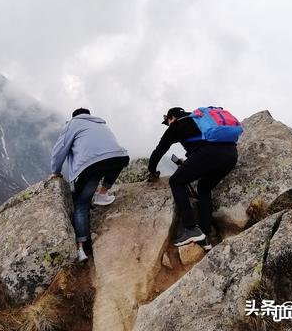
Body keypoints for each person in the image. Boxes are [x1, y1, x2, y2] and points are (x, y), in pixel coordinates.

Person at [148, 106, 239, 250]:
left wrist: (152, 171)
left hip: (210, 153)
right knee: (204, 187)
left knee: (176, 181)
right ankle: (205, 234)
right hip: (231, 154)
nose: (168, 124)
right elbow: (200, 145)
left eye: (167, 121)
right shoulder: (199, 119)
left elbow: (159, 151)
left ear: (172, 117)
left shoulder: (177, 125)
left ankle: (190, 229)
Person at [49, 108, 129, 262]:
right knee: (113, 164)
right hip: (118, 157)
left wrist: (56, 172)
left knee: (81, 204)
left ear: (74, 116)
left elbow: (59, 150)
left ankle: (81, 249)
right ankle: (103, 193)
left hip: (89, 166)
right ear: (88, 115)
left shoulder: (72, 124)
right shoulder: (101, 123)